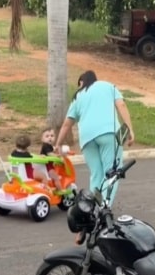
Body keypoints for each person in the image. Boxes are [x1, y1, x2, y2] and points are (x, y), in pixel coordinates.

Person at [55, 70, 134, 203]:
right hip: (109, 133)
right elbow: (121, 104)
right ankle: (104, 206)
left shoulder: (78, 96)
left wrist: (57, 144)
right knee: (112, 172)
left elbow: (66, 125)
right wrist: (130, 129)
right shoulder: (108, 86)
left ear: (81, 82)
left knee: (96, 174)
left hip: (87, 139)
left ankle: (92, 207)